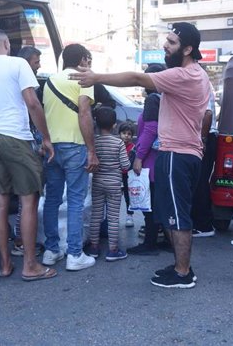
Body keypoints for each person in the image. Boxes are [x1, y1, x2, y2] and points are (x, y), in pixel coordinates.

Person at [72, 22, 210, 289]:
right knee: (171, 212)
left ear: (188, 49)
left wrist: (96, 77)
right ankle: (180, 266)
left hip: (177, 155)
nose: (165, 46)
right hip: (183, 154)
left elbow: (137, 78)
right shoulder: (195, 74)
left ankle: (183, 273)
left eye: (171, 42)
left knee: (177, 217)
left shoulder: (186, 75)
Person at [0, 30, 57, 281]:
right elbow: (32, 102)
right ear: (7, 44)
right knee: (28, 199)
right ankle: (30, 265)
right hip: (14, 137)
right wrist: (46, 138)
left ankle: (5, 264)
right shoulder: (18, 64)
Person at [42, 43, 99, 271]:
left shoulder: (49, 81)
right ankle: (75, 254)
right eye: (88, 60)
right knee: (75, 200)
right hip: (75, 146)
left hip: (51, 147)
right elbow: (84, 113)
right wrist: (92, 150)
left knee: (52, 199)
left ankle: (51, 250)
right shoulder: (84, 79)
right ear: (83, 59)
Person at [128, 63, 165, 256]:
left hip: (151, 157)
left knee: (149, 201)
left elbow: (150, 130)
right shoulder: (167, 96)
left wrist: (139, 156)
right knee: (160, 201)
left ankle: (150, 243)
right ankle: (165, 240)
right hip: (164, 157)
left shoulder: (153, 99)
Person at [86, 107, 131, 261]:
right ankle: (113, 250)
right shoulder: (118, 143)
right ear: (114, 125)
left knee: (96, 216)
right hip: (114, 185)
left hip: (97, 183)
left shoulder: (93, 142)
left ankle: (94, 247)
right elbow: (125, 165)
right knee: (112, 217)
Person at [11, 46, 43, 257]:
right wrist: (45, 138)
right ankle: (22, 241)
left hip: (7, 140)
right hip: (26, 141)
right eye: (35, 61)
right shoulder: (27, 85)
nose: (39, 65)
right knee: (28, 194)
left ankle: (18, 239)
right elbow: (33, 107)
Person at [191, 82, 218, 238]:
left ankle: (204, 225)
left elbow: (207, 114)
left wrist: (203, 139)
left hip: (204, 137)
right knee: (198, 181)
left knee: (200, 182)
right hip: (204, 136)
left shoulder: (200, 82)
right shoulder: (202, 82)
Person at [119, 122, 136, 228]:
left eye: (129, 134)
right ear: (119, 134)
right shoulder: (117, 145)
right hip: (117, 175)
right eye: (124, 133)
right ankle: (113, 217)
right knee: (115, 197)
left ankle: (129, 215)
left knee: (128, 196)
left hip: (128, 176)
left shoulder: (133, 148)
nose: (126, 135)